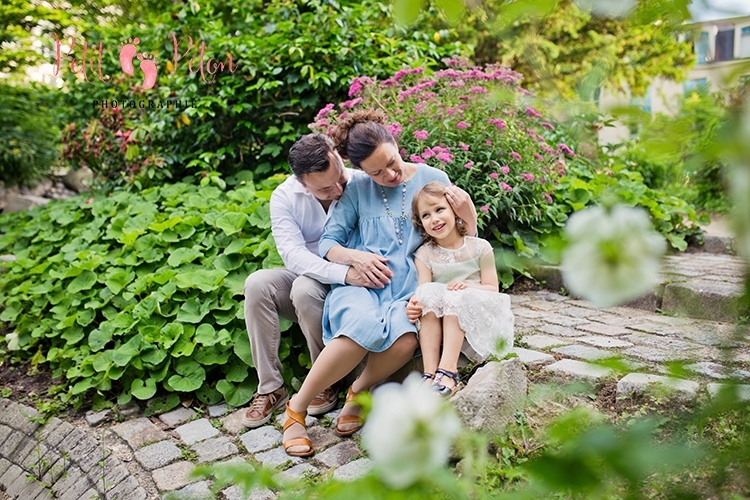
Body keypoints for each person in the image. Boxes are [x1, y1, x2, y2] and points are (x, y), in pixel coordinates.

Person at [281, 109, 478, 457]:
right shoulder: (356, 189)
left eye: (391, 162)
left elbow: (458, 241)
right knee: (364, 328)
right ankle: (296, 410)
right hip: (361, 285)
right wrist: (355, 258)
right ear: (362, 171)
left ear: (395, 142)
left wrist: (469, 216)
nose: (389, 174)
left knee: (404, 340)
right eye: (376, 171)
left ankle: (358, 390)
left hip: (409, 287)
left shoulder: (434, 179)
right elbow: (328, 244)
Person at [241, 133, 387, 428]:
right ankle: (271, 388)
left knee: (304, 289)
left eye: (340, 179)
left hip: (352, 286)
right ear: (302, 183)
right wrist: (345, 272)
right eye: (324, 188)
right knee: (257, 284)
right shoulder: (284, 197)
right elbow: (293, 256)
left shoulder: (360, 182)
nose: (336, 190)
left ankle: (326, 381)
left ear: (338, 157)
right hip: (324, 274)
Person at [407, 181, 515, 396]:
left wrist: (469, 287)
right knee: (426, 294)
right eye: (426, 215)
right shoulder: (424, 254)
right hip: (446, 315)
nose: (434, 219)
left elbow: (493, 288)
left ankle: (448, 371)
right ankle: (430, 373)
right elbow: (424, 291)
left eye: (439, 209)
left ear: (455, 211)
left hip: (478, 312)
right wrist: (414, 305)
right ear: (420, 222)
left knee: (455, 295)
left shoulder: (480, 247)